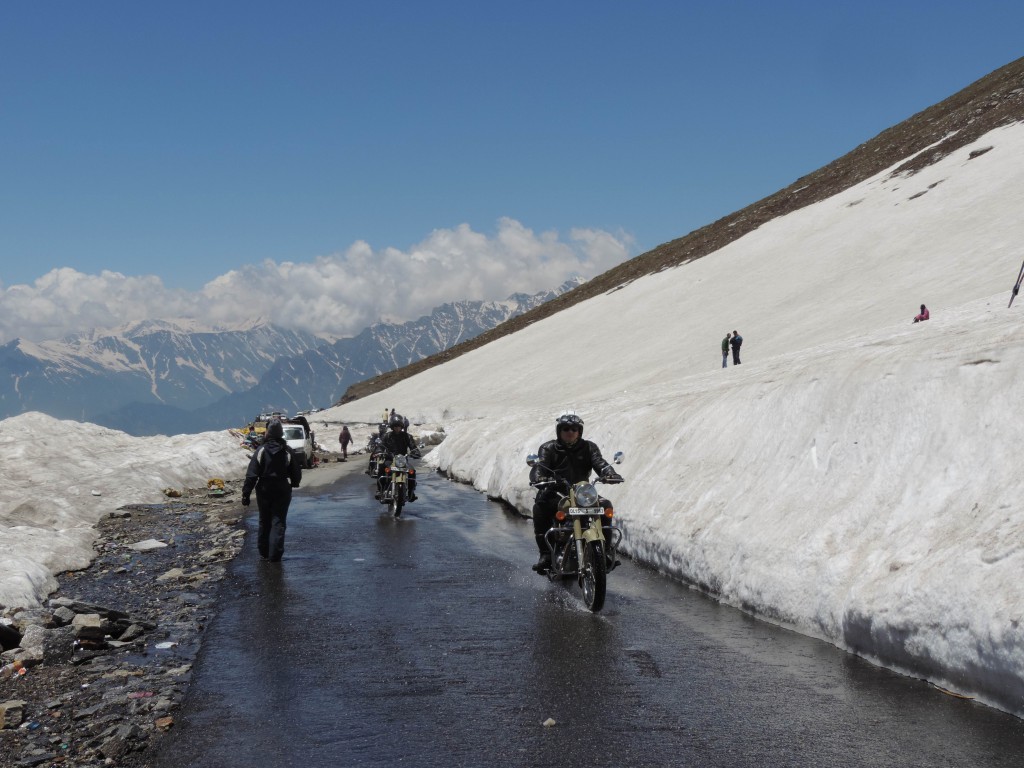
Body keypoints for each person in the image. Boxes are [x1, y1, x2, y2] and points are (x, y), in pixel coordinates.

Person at [529, 412, 622, 573]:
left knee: (606, 505)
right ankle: (545, 555)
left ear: (579, 431)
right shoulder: (548, 448)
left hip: (582, 492)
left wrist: (609, 473)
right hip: (554, 492)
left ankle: (605, 551)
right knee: (540, 507)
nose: (570, 432)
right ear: (559, 431)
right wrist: (540, 478)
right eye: (565, 428)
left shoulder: (589, 447)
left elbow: (599, 462)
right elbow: (540, 466)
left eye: (574, 428)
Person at [241, 419, 302, 562]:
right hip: (282, 488)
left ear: (268, 433)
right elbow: (296, 471)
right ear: (281, 433)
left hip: (264, 488)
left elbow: (252, 474)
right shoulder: (287, 450)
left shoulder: (261, 450)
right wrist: (294, 482)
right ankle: (275, 554)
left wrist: (246, 493)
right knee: (278, 521)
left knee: (264, 520)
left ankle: (263, 551)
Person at [376, 413, 422, 502]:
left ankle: (411, 493)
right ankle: (380, 490)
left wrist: (415, 452)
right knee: (382, 468)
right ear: (392, 426)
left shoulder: (407, 436)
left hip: (402, 460)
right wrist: (379, 450)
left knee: (412, 472)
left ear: (402, 426)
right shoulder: (387, 436)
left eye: (399, 426)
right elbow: (381, 445)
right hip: (390, 459)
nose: (397, 428)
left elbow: (413, 446)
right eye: (395, 426)